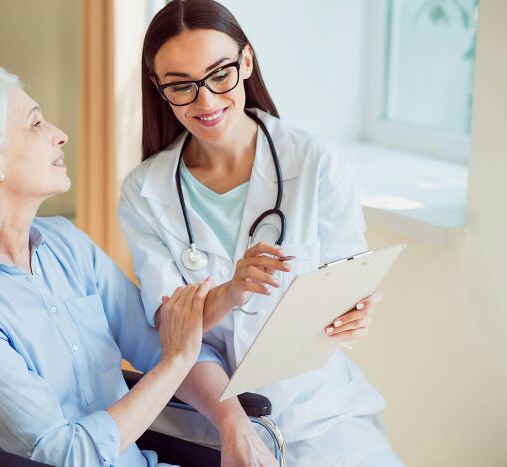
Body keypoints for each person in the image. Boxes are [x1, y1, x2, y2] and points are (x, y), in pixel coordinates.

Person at [0, 64, 263, 466]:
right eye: (36, 124)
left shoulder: (64, 244)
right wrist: (175, 361)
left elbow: (165, 339)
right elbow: (65, 455)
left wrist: (233, 423)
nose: (60, 134)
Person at [118, 1, 403, 465]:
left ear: (246, 61)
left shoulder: (314, 163)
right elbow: (173, 329)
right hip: (210, 422)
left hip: (320, 413)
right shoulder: (145, 193)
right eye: (182, 86)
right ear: (159, 87)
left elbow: (346, 278)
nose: (205, 101)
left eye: (219, 75)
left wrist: (356, 311)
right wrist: (230, 292)